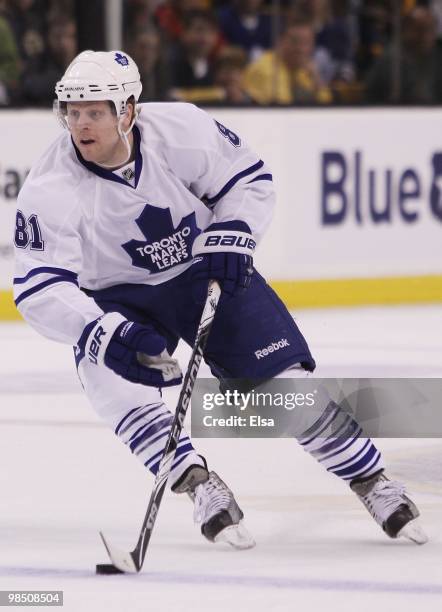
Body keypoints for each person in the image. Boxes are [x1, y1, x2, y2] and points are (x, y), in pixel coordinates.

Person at [14, 50, 427, 550]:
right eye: (72, 112)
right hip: (117, 295)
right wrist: (101, 332)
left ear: (128, 110)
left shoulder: (181, 130)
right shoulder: (50, 185)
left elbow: (248, 180)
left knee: (284, 391)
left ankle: (370, 480)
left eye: (94, 111)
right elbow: (39, 286)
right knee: (112, 381)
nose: (80, 124)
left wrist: (234, 230)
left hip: (200, 272)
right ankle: (197, 484)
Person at [244, 21, 333, 105]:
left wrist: (316, 78)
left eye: (306, 43)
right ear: (280, 41)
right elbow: (282, 109)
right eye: (295, 42)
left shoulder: (303, 71)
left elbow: (327, 105)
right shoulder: (265, 68)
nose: (301, 49)